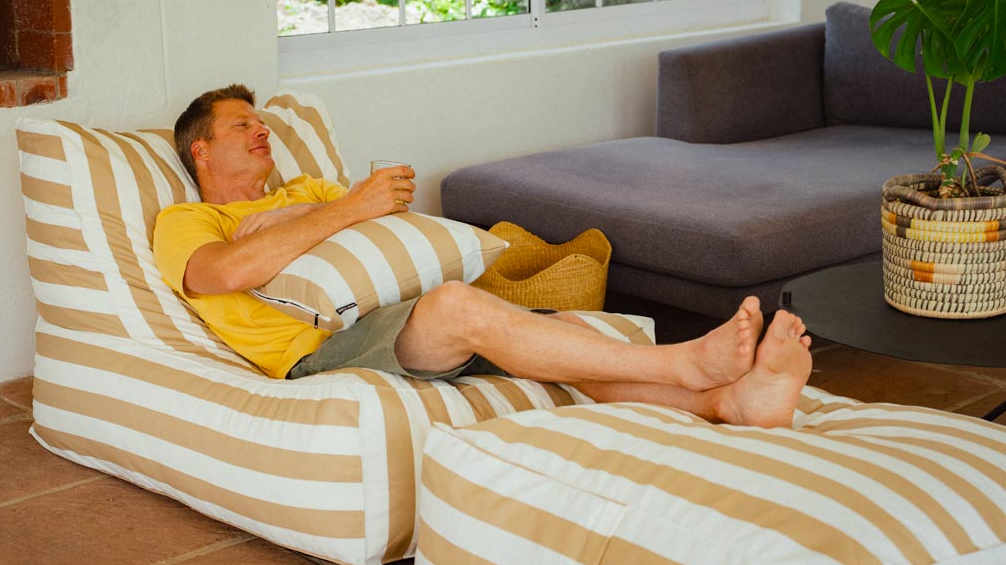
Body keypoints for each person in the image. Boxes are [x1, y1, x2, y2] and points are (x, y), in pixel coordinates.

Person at [153, 84, 814, 428]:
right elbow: (223, 274)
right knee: (453, 307)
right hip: (319, 349)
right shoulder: (190, 219)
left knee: (567, 334)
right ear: (201, 150)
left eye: (261, 120)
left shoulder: (308, 193)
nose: (262, 129)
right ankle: (685, 363)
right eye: (242, 124)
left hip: (389, 313)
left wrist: (308, 210)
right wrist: (348, 209)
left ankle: (729, 406)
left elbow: (387, 226)